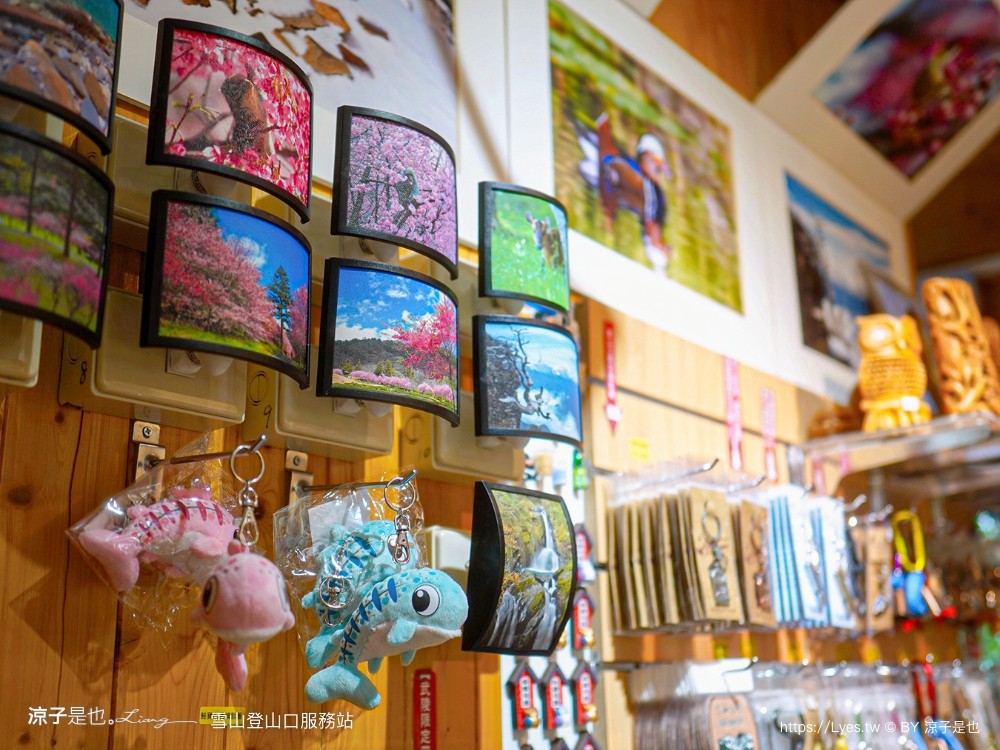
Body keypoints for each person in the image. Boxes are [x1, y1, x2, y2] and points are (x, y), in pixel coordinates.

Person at [596, 114, 673, 272]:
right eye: (657, 158)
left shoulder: (652, 204)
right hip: (613, 171)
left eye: (662, 246)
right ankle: (602, 128)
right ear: (647, 156)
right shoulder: (647, 192)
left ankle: (603, 129)